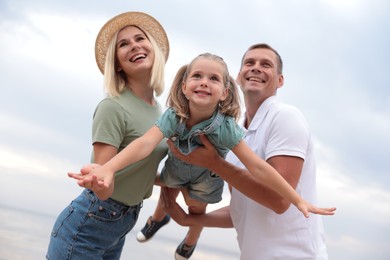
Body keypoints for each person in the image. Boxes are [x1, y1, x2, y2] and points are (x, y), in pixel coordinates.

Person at [69, 52, 335, 259]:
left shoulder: (228, 128)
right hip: (176, 170)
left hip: (204, 180)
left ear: (225, 92)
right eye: (197, 76)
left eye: (213, 79)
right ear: (184, 86)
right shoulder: (174, 116)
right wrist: (108, 168)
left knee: (196, 211)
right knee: (165, 190)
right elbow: (144, 144)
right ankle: (156, 220)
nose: (204, 83)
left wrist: (297, 199)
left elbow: (259, 168)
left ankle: (190, 242)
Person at [160, 43, 335, 260]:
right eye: (249, 63)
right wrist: (192, 220)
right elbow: (243, 211)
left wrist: (214, 163)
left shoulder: (285, 117)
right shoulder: (236, 136)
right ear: (238, 77)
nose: (256, 68)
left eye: (266, 64)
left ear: (280, 80)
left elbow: (279, 201)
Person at [46, 11, 170, 260]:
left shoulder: (160, 112)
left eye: (139, 38)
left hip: (119, 225)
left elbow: (137, 168)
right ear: (117, 64)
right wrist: (98, 181)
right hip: (88, 225)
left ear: (153, 49)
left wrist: (177, 182)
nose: (134, 46)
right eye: (123, 44)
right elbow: (103, 181)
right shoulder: (113, 107)